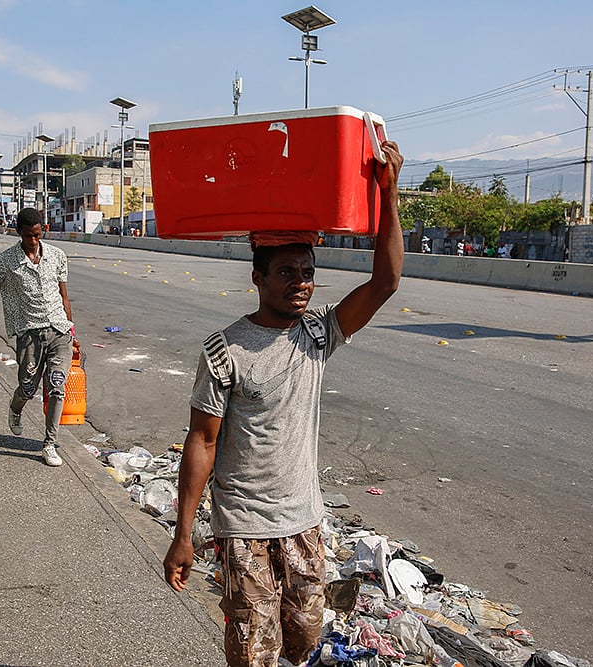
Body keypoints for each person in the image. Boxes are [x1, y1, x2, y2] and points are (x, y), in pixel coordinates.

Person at [163, 141, 405, 667]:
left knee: (303, 640)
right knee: (254, 652)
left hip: (304, 523)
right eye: (287, 273)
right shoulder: (223, 349)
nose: (300, 284)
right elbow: (202, 440)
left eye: (307, 272)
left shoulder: (318, 335)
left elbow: (385, 281)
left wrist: (389, 194)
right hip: (244, 526)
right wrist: (185, 535)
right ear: (258, 278)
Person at [0, 208, 78, 468]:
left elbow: (63, 296)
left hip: (59, 332)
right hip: (29, 333)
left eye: (38, 235)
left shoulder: (57, 257)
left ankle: (49, 444)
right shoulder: (5, 261)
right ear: (19, 233)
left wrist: (73, 332)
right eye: (29, 236)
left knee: (56, 387)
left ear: (43, 231)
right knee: (28, 386)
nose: (34, 241)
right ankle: (16, 407)